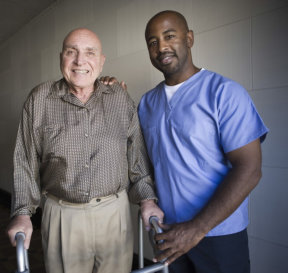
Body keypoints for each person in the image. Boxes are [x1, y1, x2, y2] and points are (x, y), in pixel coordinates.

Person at [6, 28, 163, 273]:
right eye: (72, 52)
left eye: (90, 53)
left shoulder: (119, 99)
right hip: (62, 215)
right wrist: (22, 213)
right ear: (61, 58)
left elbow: (137, 159)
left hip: (115, 214)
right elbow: (25, 161)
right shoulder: (39, 99)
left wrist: (148, 200)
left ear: (101, 62)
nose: (80, 61)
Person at [136, 10, 269, 273]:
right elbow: (141, 161)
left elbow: (250, 170)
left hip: (219, 235)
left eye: (169, 36)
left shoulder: (224, 93)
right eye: (152, 42)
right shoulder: (146, 103)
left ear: (189, 39)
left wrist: (195, 229)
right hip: (168, 233)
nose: (161, 46)